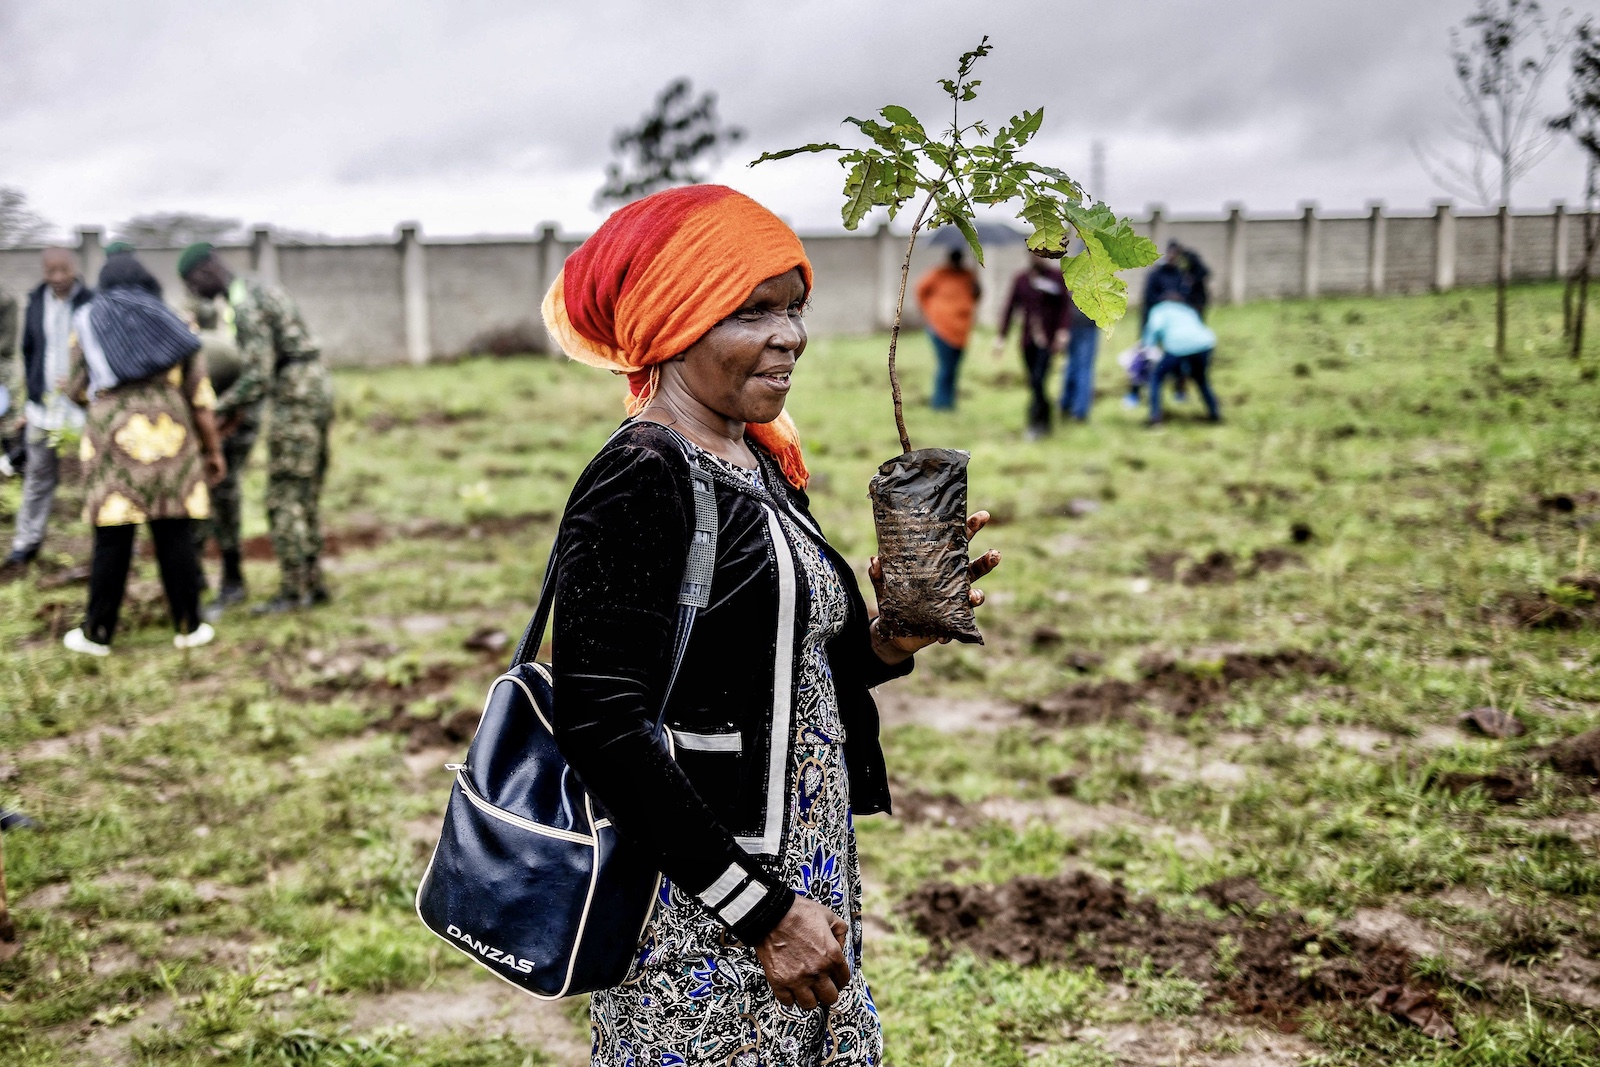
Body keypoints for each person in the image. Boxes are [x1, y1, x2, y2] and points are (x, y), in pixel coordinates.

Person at [541, 185, 999, 1066]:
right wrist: (762, 910)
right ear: (677, 321)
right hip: (704, 902)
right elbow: (598, 721)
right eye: (753, 310)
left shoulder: (754, 457)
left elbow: (783, 673)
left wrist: (887, 641)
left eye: (794, 308)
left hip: (805, 873)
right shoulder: (644, 475)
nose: (789, 334)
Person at [60, 253, 225, 657]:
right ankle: (190, 627)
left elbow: (79, 388)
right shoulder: (178, 322)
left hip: (113, 440)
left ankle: (98, 633)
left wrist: (89, 397)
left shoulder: (86, 323)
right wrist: (213, 450)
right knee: (174, 532)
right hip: (171, 436)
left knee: (113, 537)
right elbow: (199, 398)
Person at [178, 243, 332, 613]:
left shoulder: (245, 306)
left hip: (294, 395)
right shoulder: (258, 288)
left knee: (284, 496)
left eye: (192, 284)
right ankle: (313, 584)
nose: (195, 294)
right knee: (304, 491)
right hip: (315, 385)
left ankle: (293, 594)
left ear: (205, 271)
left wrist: (212, 413)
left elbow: (258, 377)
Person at [4, 248, 92, 570]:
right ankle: (25, 545)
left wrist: (82, 384)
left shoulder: (90, 302)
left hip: (82, 407)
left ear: (74, 269)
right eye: (50, 271)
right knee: (38, 476)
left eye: (63, 270)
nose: (57, 278)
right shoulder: (35, 302)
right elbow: (28, 351)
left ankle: (105, 543)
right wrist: (30, 399)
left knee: (94, 474)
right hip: (43, 407)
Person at [186, 296, 257, 618]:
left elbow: (237, 408)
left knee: (223, 490)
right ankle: (195, 573)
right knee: (194, 490)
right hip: (208, 409)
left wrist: (215, 444)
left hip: (238, 411)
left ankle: (232, 578)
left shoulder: (215, 360)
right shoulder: (167, 367)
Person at [995, 254, 1074, 438]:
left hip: (1048, 340)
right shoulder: (1021, 279)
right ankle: (1046, 419)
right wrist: (1001, 337)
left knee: (1039, 379)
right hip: (1028, 341)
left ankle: (1035, 423)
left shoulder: (1056, 277)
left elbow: (1065, 306)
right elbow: (1010, 307)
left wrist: (1063, 331)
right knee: (1034, 382)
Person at [1142, 287, 1222, 426]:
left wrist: (1147, 347)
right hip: (1204, 344)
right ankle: (1214, 413)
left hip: (1177, 345)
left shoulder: (1160, 309)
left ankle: (1155, 418)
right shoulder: (1187, 309)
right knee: (1200, 378)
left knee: (1156, 377)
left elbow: (1154, 328)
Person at [914, 247, 980, 409]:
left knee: (954, 368)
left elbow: (976, 295)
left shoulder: (968, 275)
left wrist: (977, 284)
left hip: (961, 330)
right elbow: (920, 290)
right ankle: (940, 403)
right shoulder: (938, 274)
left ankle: (949, 402)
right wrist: (928, 311)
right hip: (940, 328)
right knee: (946, 367)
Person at [1059, 297, 1100, 422]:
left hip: (1071, 319)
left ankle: (1065, 404)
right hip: (1087, 321)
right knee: (1084, 368)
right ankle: (1080, 411)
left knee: (1071, 363)